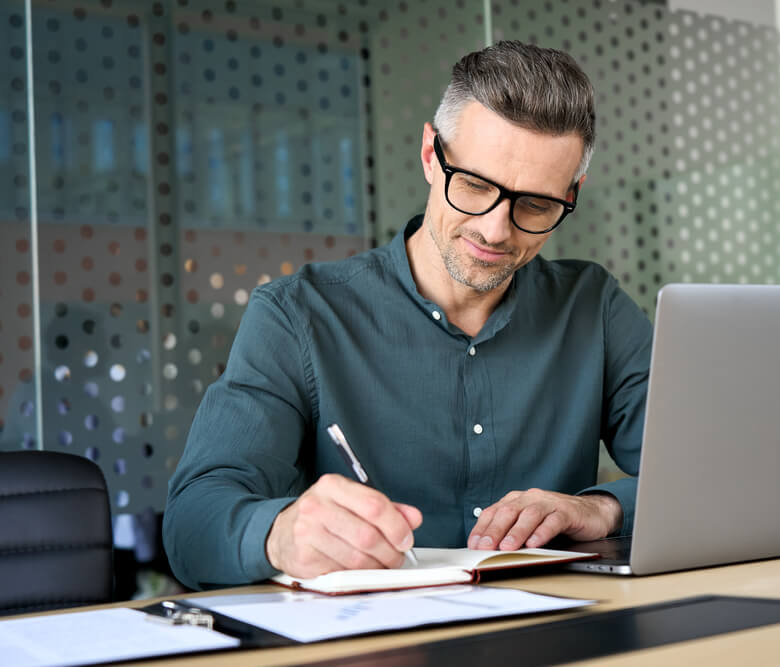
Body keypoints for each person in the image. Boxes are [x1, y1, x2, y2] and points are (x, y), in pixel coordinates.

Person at [163, 41, 652, 590]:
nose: (495, 230)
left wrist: (604, 508)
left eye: (536, 205)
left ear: (572, 194)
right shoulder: (297, 316)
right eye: (474, 185)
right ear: (429, 154)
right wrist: (279, 534)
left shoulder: (595, 308)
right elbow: (192, 523)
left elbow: (708, 479)